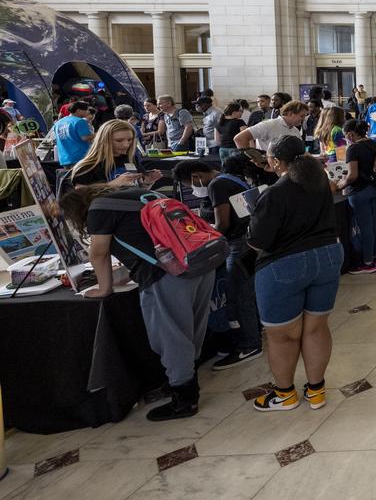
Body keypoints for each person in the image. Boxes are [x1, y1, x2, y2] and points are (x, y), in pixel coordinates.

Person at [63, 183, 217, 421]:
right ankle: (181, 381)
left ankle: (184, 399)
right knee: (191, 331)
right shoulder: (138, 195)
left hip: (167, 274)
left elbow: (98, 252)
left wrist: (104, 288)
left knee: (170, 337)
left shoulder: (98, 210)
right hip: (199, 261)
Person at [246, 135, 342, 411]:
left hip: (285, 264)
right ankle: (316, 391)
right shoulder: (320, 180)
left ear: (275, 161)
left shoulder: (274, 193)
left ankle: (285, 394)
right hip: (328, 256)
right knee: (316, 327)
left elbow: (258, 241)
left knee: (282, 335)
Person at [173, 154, 264, 369]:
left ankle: (249, 344)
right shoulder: (232, 178)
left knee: (238, 296)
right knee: (247, 293)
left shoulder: (217, 185)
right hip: (250, 242)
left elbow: (222, 222)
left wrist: (201, 238)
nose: (193, 188)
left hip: (238, 246)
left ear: (196, 176)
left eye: (190, 184)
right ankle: (254, 332)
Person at [336, 119, 376, 274]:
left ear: (350, 134)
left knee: (364, 226)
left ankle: (367, 262)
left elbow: (352, 175)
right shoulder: (374, 144)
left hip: (359, 192)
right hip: (375, 188)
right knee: (374, 222)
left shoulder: (353, 149)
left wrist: (340, 184)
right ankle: (375, 256)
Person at [235, 99, 306, 152]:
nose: (303, 119)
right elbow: (240, 138)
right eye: (302, 116)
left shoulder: (295, 130)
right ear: (290, 113)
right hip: (266, 169)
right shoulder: (269, 124)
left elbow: (300, 151)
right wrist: (250, 159)